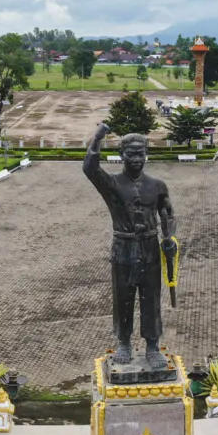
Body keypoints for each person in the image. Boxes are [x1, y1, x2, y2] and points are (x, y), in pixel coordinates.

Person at [84, 123, 177, 369]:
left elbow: (168, 214)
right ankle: (123, 342)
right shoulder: (112, 184)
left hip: (149, 248)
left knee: (151, 298)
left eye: (140, 153)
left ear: (146, 154)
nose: (136, 159)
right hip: (123, 248)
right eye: (131, 154)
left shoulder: (157, 185)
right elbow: (90, 169)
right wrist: (98, 138)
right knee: (123, 297)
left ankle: (152, 346)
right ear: (122, 155)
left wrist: (169, 237)